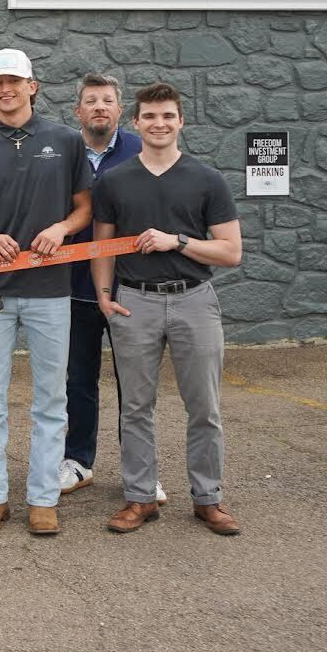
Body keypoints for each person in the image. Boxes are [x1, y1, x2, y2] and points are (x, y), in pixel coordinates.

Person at [91, 82, 243, 537]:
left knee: (204, 406)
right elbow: (103, 244)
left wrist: (178, 241)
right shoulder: (114, 180)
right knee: (136, 406)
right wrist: (103, 293)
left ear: (181, 122)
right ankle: (139, 498)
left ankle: (208, 499)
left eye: (168, 117)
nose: (159, 124)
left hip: (194, 298)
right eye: (151, 117)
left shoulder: (206, 179)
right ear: (136, 123)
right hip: (134, 300)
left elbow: (231, 251)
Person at [0, 48, 92, 537]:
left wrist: (61, 228)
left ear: (33, 85)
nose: (5, 90)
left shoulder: (65, 141)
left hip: (50, 291)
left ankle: (42, 498)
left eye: (14, 81)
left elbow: (84, 209)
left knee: (50, 400)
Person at [60, 74, 143, 499]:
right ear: (78, 111)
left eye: (107, 101)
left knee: (134, 383)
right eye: (90, 101)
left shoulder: (139, 150)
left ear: (119, 109)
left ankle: (140, 470)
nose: (99, 107)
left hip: (130, 288)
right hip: (73, 289)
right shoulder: (61, 151)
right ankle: (77, 461)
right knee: (78, 381)